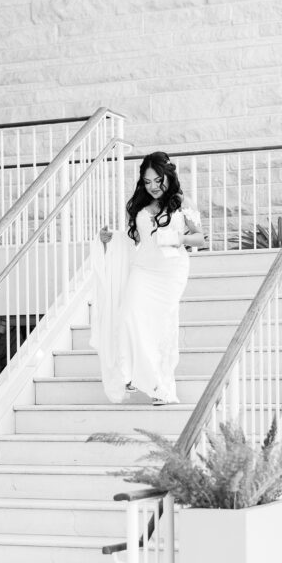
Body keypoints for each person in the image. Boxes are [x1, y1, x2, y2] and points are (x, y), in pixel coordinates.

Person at [94, 151, 206, 405]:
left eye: (158, 180)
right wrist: (110, 239)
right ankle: (131, 373)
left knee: (161, 326)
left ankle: (159, 386)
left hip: (170, 271)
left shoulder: (183, 202)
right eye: (147, 182)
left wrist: (181, 238)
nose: (153, 186)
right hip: (143, 269)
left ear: (168, 176)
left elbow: (200, 237)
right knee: (128, 315)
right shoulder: (139, 206)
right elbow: (134, 239)